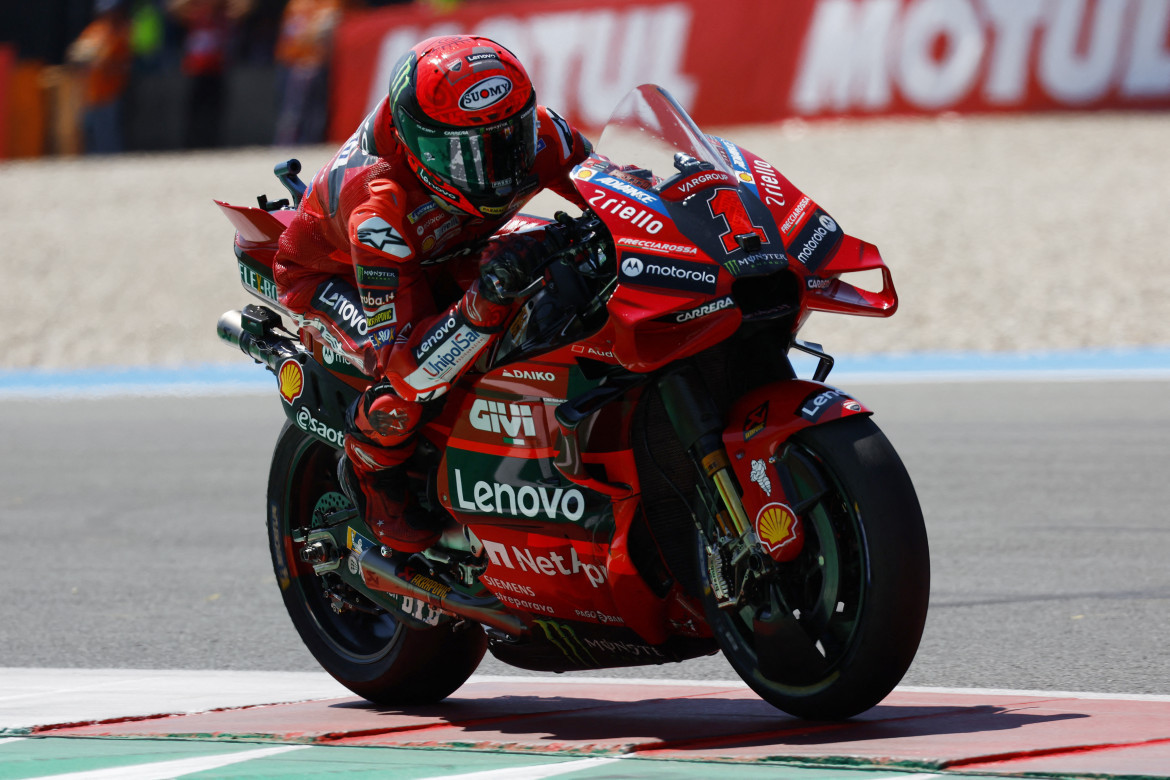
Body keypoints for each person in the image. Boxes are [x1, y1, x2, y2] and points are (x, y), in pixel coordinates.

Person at [273, 35, 592, 553]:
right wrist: (484, 301)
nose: (499, 168)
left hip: (450, 245)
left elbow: (616, 196)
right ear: (418, 143)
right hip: (337, 274)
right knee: (407, 388)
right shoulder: (377, 207)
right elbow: (406, 363)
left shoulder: (540, 134)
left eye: (507, 140)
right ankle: (375, 476)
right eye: (468, 154)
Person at [67, 0, 133, 154]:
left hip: (110, 94)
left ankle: (112, 168)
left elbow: (119, 61)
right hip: (90, 93)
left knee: (108, 135)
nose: (109, 15)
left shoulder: (121, 31)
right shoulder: (95, 30)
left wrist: (98, 59)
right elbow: (75, 53)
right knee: (90, 134)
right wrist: (84, 56)